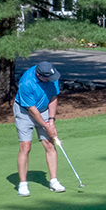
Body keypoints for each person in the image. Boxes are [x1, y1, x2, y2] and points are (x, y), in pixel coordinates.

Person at [14, 60, 67, 196]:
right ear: (39, 75)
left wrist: (51, 121)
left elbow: (53, 97)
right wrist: (46, 126)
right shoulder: (26, 83)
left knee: (49, 144)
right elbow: (32, 110)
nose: (52, 79)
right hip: (25, 112)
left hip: (44, 110)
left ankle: (54, 181)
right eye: (48, 78)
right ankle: (23, 184)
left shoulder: (52, 76)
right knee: (25, 146)